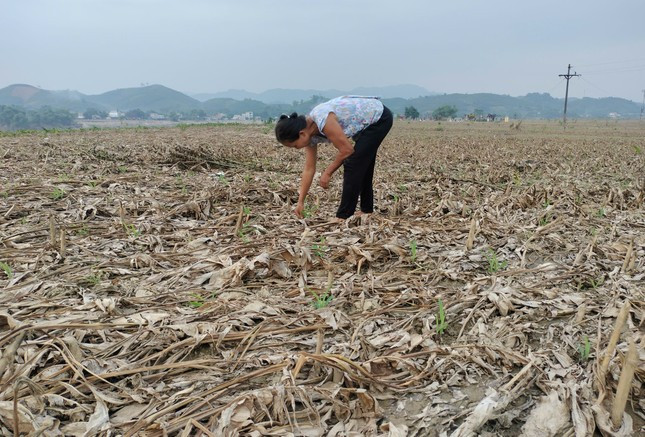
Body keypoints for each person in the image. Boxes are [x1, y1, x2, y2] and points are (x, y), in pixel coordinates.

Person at [274, 96, 393, 220]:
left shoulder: (323, 120)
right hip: (368, 123)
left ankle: (343, 216)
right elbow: (309, 169)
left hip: (379, 117)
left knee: (353, 164)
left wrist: (328, 172)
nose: (297, 148)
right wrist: (300, 202)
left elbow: (347, 150)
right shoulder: (309, 135)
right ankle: (367, 211)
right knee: (362, 164)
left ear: (301, 134)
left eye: (294, 146)